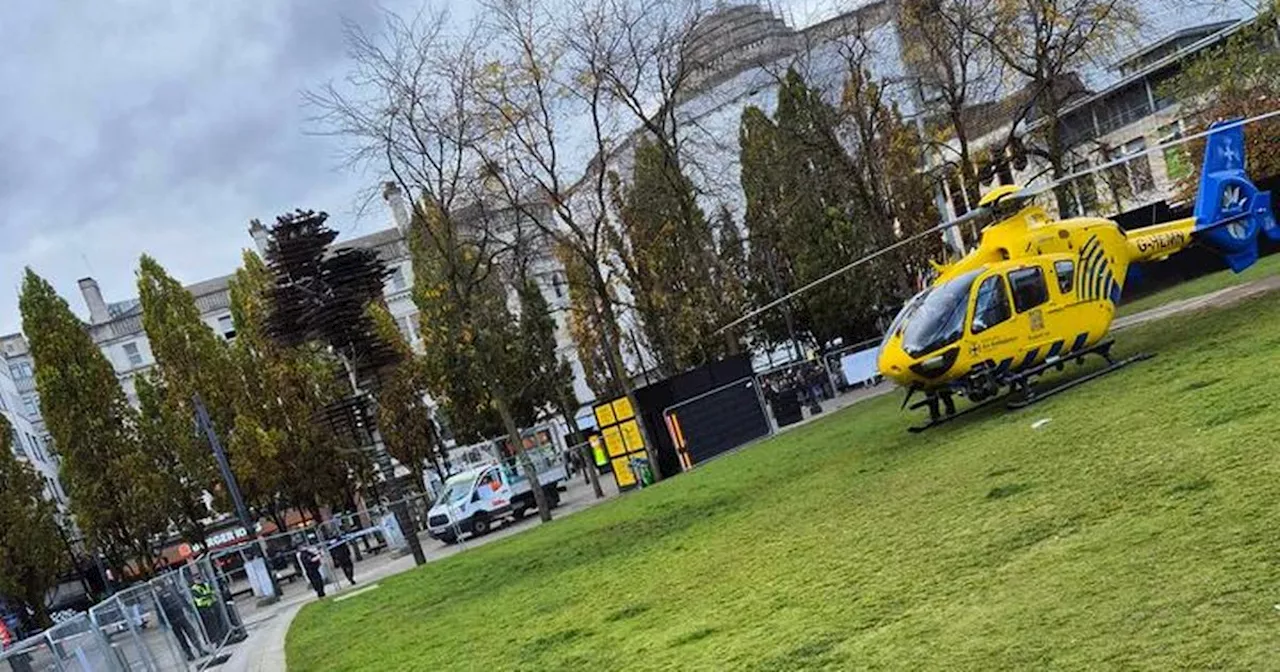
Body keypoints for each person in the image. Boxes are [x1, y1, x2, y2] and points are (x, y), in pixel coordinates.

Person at [157, 584, 206, 662]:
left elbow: (180, 599)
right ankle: (195, 652)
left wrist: (163, 622)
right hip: (176, 617)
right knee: (187, 634)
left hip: (176, 617)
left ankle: (194, 652)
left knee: (185, 635)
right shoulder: (166, 591)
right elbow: (181, 599)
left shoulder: (162, 593)